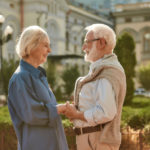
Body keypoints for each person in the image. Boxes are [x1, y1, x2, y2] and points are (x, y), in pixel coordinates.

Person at [64, 24, 126, 150]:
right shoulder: (101, 69)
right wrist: (75, 111)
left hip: (97, 140)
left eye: (87, 42)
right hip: (92, 139)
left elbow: (105, 112)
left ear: (102, 43)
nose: (83, 48)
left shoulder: (107, 71)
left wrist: (77, 114)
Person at [8, 25, 68, 150]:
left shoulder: (38, 76)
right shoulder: (20, 77)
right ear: (31, 46)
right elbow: (31, 114)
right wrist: (58, 109)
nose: (49, 50)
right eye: (45, 45)